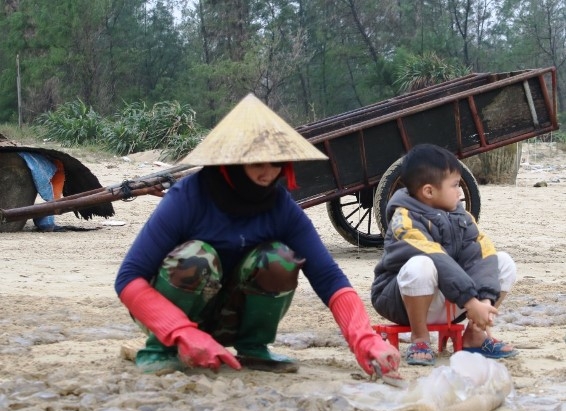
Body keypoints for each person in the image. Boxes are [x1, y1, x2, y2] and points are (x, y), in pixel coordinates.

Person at [115, 93, 401, 376]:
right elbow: (128, 279)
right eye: (257, 163)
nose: (268, 173)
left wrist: (365, 340)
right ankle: (159, 350)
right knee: (198, 258)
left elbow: (329, 278)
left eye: (275, 163)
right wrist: (181, 331)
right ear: (232, 162)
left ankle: (253, 347)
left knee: (280, 258)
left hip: (228, 318)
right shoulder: (187, 197)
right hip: (173, 320)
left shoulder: (280, 207)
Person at [370, 143, 518, 366]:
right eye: (455, 185)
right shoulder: (404, 219)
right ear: (429, 191)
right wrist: (470, 302)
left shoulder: (462, 217)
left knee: (503, 261)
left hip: (452, 300)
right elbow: (436, 258)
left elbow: (481, 253)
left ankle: (476, 334)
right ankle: (420, 337)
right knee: (422, 263)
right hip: (403, 302)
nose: (460, 191)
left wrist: (483, 302)